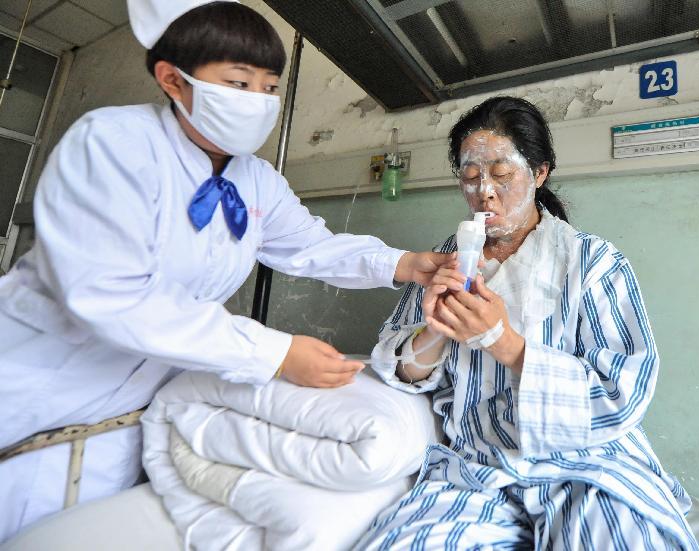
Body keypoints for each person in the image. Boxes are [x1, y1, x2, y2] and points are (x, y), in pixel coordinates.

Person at [0, 0, 448, 542]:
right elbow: (111, 296)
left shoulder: (255, 180)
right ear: (174, 80)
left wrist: (405, 264)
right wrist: (275, 353)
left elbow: (313, 247)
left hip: (131, 416)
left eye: (268, 88)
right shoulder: (115, 143)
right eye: (237, 83)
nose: (257, 103)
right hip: (34, 394)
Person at [357, 97, 699, 550]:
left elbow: (624, 391)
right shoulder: (447, 260)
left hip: (587, 462)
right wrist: (436, 329)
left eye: (501, 174)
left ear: (539, 174)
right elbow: (396, 369)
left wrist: (505, 343)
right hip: (478, 465)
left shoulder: (592, 262)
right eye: (470, 176)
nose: (484, 192)